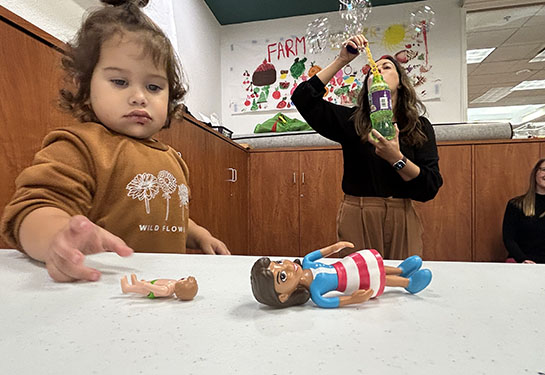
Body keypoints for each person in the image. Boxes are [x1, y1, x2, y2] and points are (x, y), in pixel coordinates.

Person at [0, 0, 230, 283]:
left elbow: (163, 219)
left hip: (163, 292)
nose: (139, 96)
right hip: (101, 293)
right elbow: (32, 210)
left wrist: (197, 234)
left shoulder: (173, 159)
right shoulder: (79, 146)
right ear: (85, 86)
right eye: (119, 82)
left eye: (154, 86)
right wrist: (55, 238)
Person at [291, 35, 442, 260]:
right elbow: (302, 98)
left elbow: (429, 187)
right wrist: (342, 60)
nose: (377, 71)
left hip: (403, 215)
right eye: (372, 71)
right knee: (360, 285)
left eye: (387, 67)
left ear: (400, 82)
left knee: (402, 283)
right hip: (357, 213)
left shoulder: (418, 126)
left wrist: (396, 159)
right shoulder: (353, 121)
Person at [250, 241, 432, 309]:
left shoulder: (307, 261)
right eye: (282, 276)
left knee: (375, 265)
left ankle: (401, 270)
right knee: (378, 277)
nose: (288, 267)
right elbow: (336, 302)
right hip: (351, 281)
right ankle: (408, 283)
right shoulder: (316, 293)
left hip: (348, 264)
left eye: (280, 263)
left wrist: (336, 247)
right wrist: (354, 299)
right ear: (284, 296)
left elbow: (324, 251)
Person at [502, 158, 545, 264]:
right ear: (535, 173)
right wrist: (523, 260)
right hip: (520, 263)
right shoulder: (515, 205)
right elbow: (509, 239)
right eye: (544, 169)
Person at [121, 274, 198, 300]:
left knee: (138, 289)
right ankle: (135, 283)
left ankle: (127, 288)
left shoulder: (167, 290)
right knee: (140, 285)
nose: (182, 278)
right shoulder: (174, 283)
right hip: (153, 283)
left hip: (149, 290)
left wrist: (144, 285)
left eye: (183, 280)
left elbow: (157, 289)